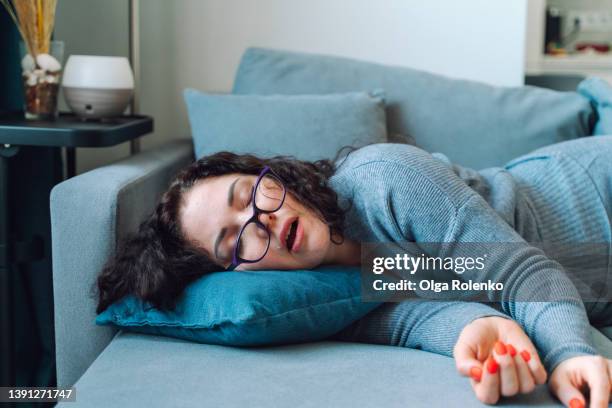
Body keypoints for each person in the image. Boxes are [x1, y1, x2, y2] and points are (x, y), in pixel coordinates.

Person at [96, 136, 612, 407]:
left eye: (251, 194)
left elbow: (515, 270)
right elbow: (412, 316)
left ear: (270, 175)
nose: (263, 221)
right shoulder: (323, 292)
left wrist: (569, 351)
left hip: (592, 198)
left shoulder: (385, 180)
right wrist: (478, 330)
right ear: (234, 272)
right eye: (236, 239)